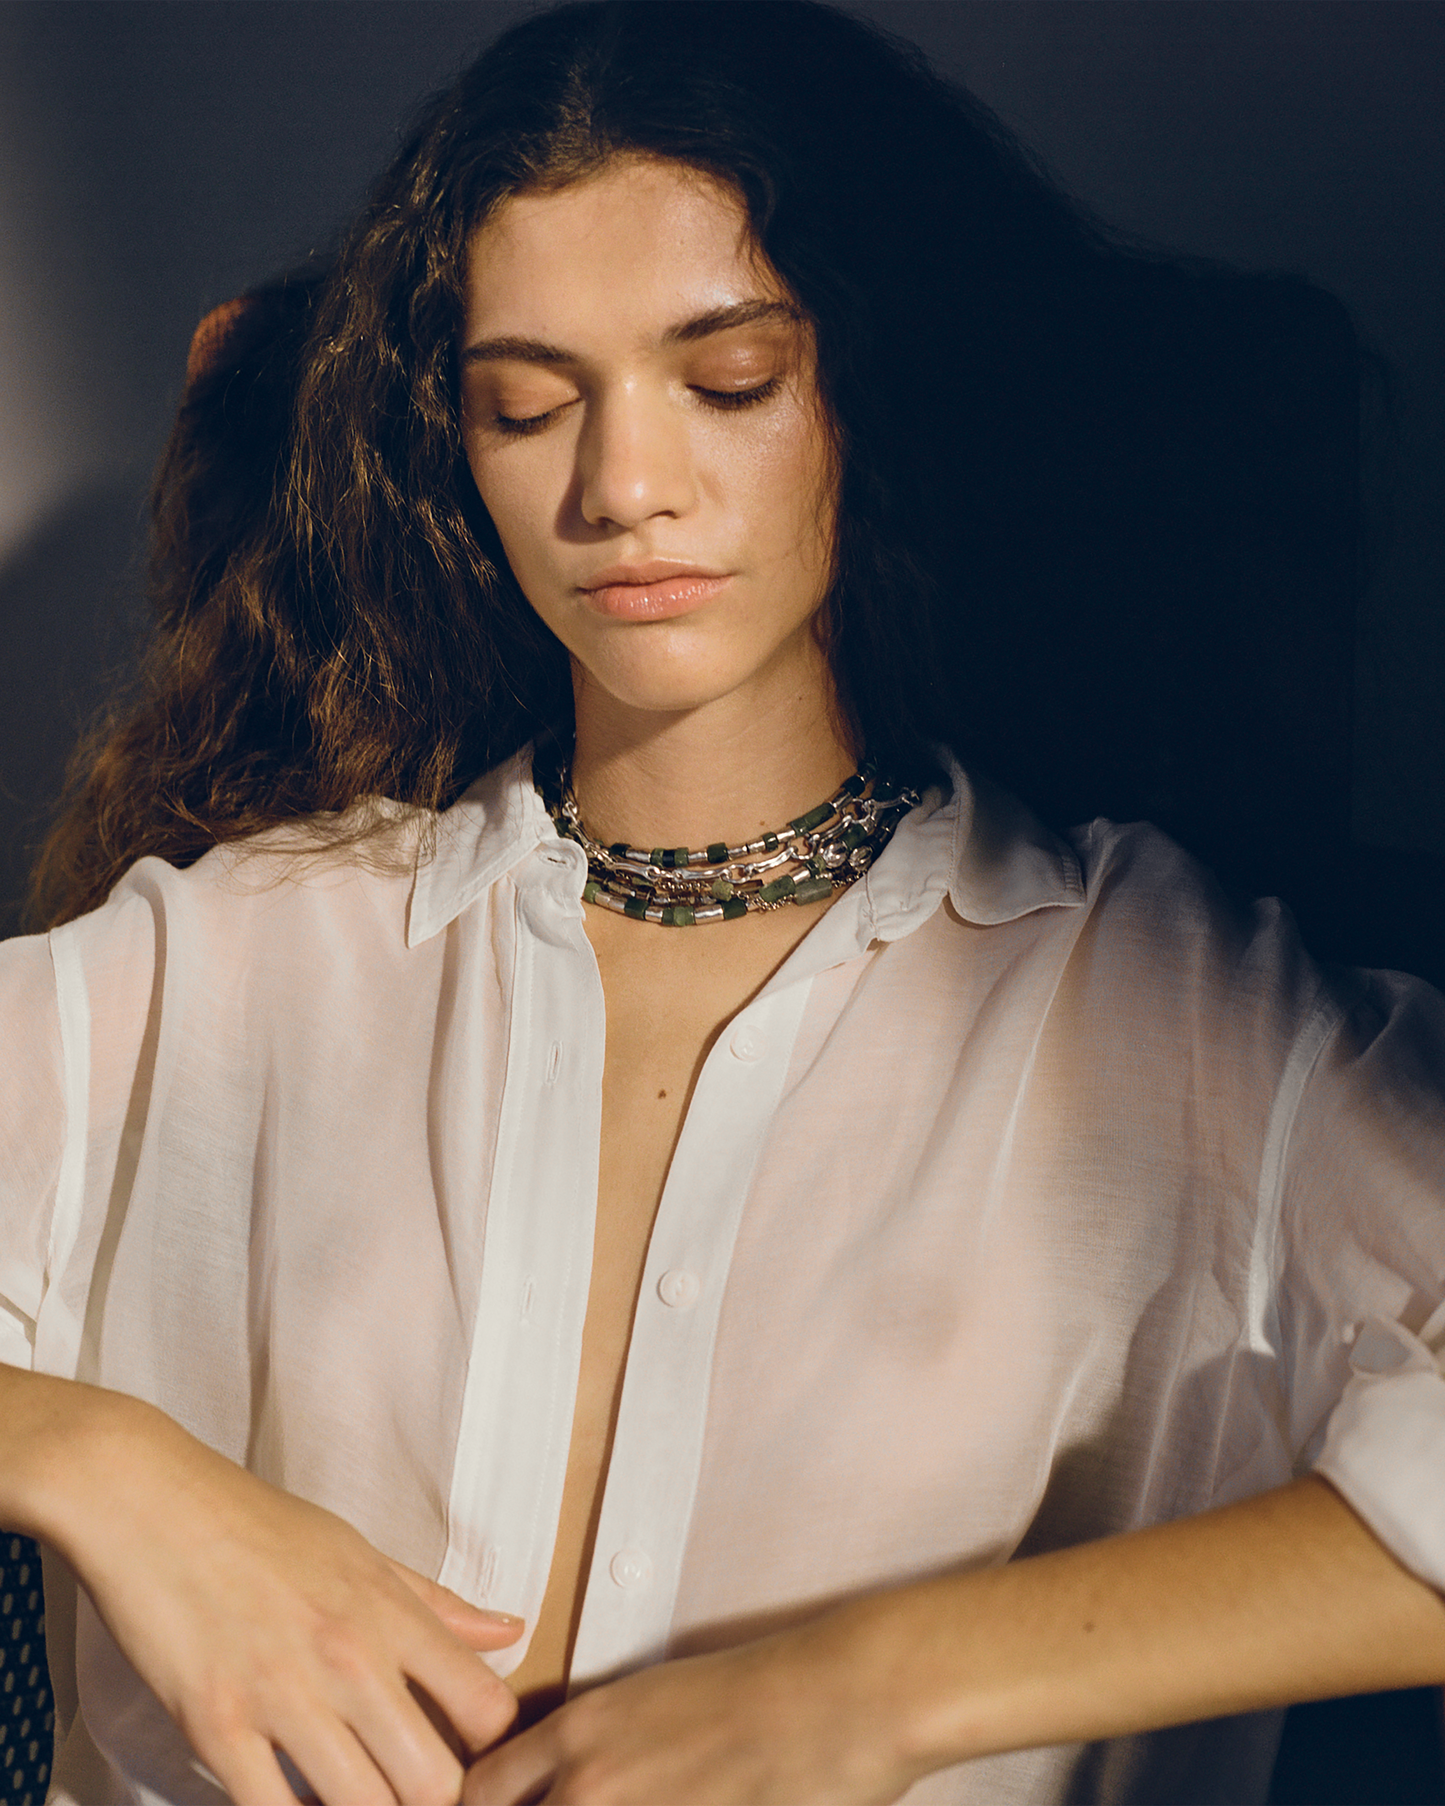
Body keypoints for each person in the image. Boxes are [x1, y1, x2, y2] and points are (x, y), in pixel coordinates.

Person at [4, 2, 1445, 1803]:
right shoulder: (240, 957)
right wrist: (108, 1465)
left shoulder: (1161, 1011)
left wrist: (885, 1684)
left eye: (731, 381)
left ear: (875, 383)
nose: (620, 488)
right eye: (527, 406)